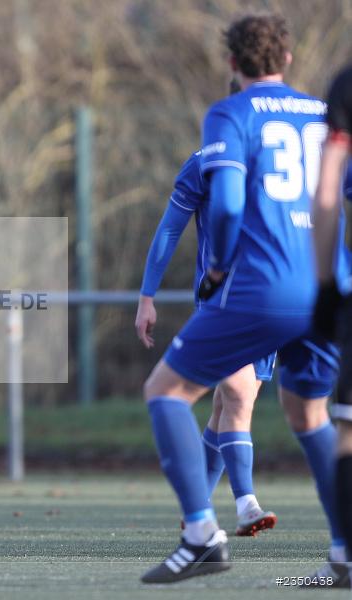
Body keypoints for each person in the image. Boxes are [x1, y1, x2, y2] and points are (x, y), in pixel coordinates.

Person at [140, 14, 345, 584]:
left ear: (231, 63)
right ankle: (343, 554)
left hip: (262, 285)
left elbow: (227, 207)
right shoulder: (322, 115)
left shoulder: (229, 115)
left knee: (166, 392)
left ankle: (202, 535)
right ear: (290, 59)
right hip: (331, 287)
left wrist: (218, 270)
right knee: (309, 415)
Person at [136, 147, 277, 537]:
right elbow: (169, 228)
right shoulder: (206, 162)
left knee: (223, 407)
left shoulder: (280, 156)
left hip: (272, 297)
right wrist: (147, 295)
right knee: (238, 393)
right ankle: (247, 503)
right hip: (223, 299)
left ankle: (196, 506)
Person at [312, 64, 352, 583]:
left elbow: (326, 196)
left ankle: (346, 560)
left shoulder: (346, 84)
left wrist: (323, 286)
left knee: (348, 430)